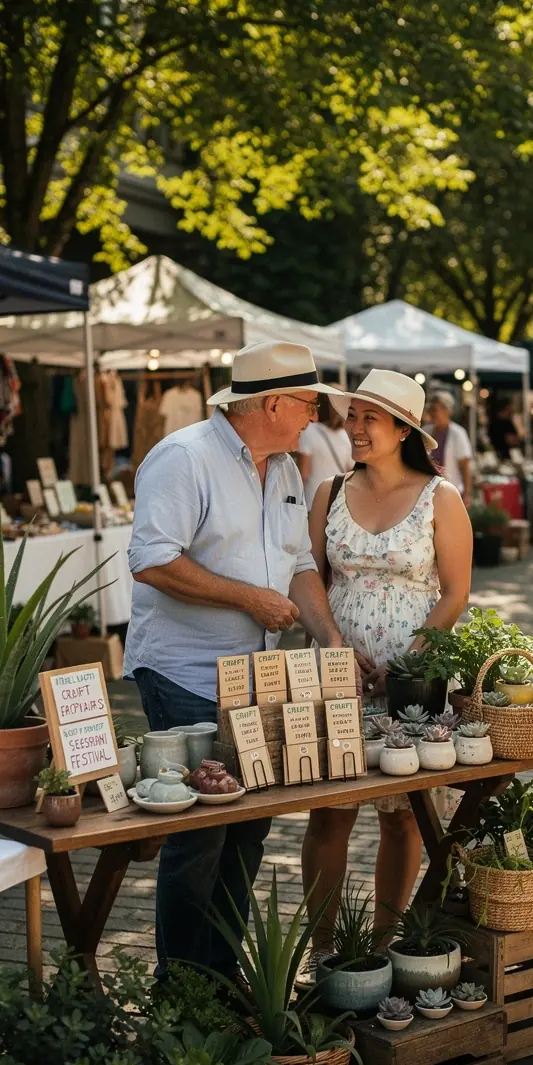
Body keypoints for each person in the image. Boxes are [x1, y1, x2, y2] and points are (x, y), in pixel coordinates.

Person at [124, 340, 349, 979]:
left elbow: (300, 564)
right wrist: (251, 597)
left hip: (257, 675)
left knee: (248, 828)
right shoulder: (183, 458)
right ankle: (183, 990)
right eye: (307, 403)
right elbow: (153, 562)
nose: (314, 416)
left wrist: (328, 639)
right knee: (198, 837)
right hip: (185, 672)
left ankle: (221, 984)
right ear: (272, 401)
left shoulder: (282, 467)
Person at [302, 369, 472, 958]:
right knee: (330, 811)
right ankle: (322, 950)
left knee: (403, 816)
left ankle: (382, 947)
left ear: (403, 430)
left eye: (368, 419)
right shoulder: (329, 491)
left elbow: (455, 592)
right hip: (340, 675)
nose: (354, 428)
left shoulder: (439, 498)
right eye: (352, 417)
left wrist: (406, 663)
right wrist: (332, 649)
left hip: (412, 681)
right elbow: (311, 579)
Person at [295, 389, 354, 509]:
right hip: (338, 502)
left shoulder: (309, 431)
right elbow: (349, 471)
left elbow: (303, 474)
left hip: (313, 500)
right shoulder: (347, 436)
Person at [423, 389, 473, 506]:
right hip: (428, 490)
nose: (432, 413)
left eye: (436, 410)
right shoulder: (426, 431)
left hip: (451, 489)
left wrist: (467, 494)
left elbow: (465, 466)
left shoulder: (458, 433)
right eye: (431, 410)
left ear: (447, 410)